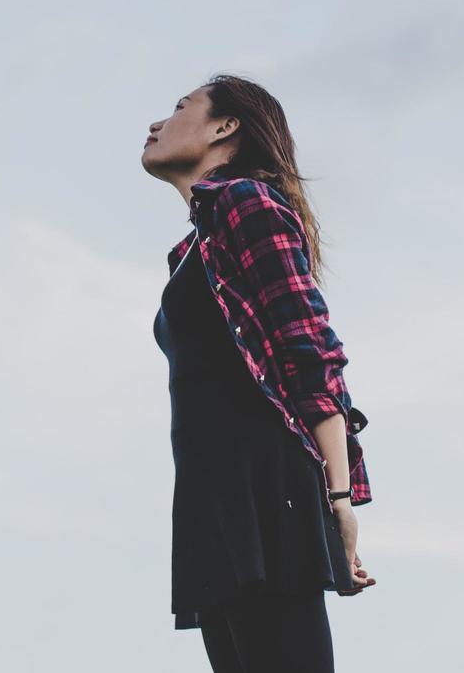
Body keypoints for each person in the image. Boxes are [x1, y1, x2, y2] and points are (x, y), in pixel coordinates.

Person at [141, 74, 376, 673]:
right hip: (210, 497)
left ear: (226, 128)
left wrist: (340, 496)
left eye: (178, 107)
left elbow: (309, 347)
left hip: (268, 492)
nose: (156, 124)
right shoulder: (192, 247)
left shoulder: (248, 203)